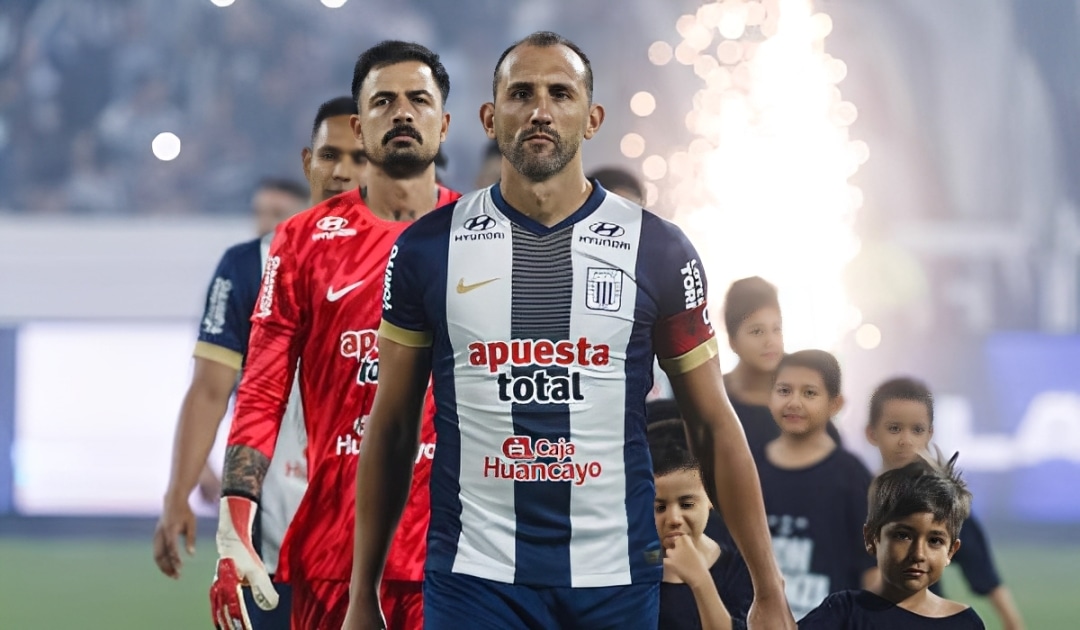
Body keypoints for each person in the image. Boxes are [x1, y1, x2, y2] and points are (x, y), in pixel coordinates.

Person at [345, 31, 793, 630]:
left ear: (591, 117)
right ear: (489, 115)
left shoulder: (658, 249)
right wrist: (361, 595)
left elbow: (712, 424)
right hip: (475, 582)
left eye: (560, 93)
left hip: (614, 582)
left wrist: (768, 588)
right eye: (520, 93)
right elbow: (393, 425)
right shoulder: (429, 249)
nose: (539, 110)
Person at [208, 41, 459, 630]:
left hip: (458, 556)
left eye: (418, 100)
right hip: (332, 557)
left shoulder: (481, 234)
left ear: (443, 123)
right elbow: (263, 389)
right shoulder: (302, 240)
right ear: (359, 122)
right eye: (384, 101)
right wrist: (234, 521)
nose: (402, 113)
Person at [153, 97, 365, 629]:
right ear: (307, 161)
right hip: (277, 540)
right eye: (330, 155)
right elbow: (209, 390)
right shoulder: (249, 265)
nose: (342, 171)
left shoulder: (416, 255)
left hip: (383, 542)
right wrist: (178, 492)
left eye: (358, 157)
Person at [865, 377, 1026, 629]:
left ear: (930, 433)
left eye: (916, 430)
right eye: (894, 428)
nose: (905, 440)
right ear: (871, 432)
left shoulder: (942, 501)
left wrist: (1013, 623)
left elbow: (984, 574)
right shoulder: (851, 494)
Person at [798, 454, 986, 628]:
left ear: (951, 551)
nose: (918, 554)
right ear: (872, 538)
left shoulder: (965, 624)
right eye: (903, 536)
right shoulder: (843, 613)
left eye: (935, 541)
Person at [757, 349, 876, 620]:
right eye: (784, 390)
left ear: (835, 404)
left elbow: (871, 567)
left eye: (809, 393)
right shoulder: (749, 469)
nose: (794, 402)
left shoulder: (852, 476)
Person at [649, 416, 753, 630]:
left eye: (687, 504)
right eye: (659, 507)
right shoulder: (635, 563)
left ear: (711, 498)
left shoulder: (737, 570)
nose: (674, 519)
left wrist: (699, 580)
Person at [721, 277, 841, 455]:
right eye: (757, 331)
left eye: (776, 329)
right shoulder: (715, 398)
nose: (771, 341)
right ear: (732, 341)